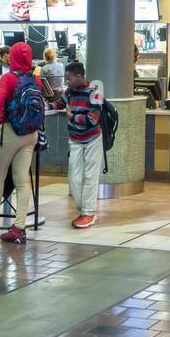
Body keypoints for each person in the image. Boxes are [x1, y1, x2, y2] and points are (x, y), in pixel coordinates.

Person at [0, 42, 45, 243]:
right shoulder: (36, 80)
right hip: (30, 134)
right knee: (22, 181)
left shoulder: (8, 78)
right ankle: (19, 228)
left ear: (12, 57)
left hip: (10, 133)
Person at [64, 60, 103, 229]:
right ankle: (84, 210)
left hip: (93, 139)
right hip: (75, 139)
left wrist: (72, 117)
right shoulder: (70, 92)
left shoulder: (95, 93)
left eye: (69, 78)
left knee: (90, 177)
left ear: (80, 76)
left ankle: (89, 213)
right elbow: (59, 102)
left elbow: (92, 120)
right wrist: (46, 105)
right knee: (74, 177)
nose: (67, 82)